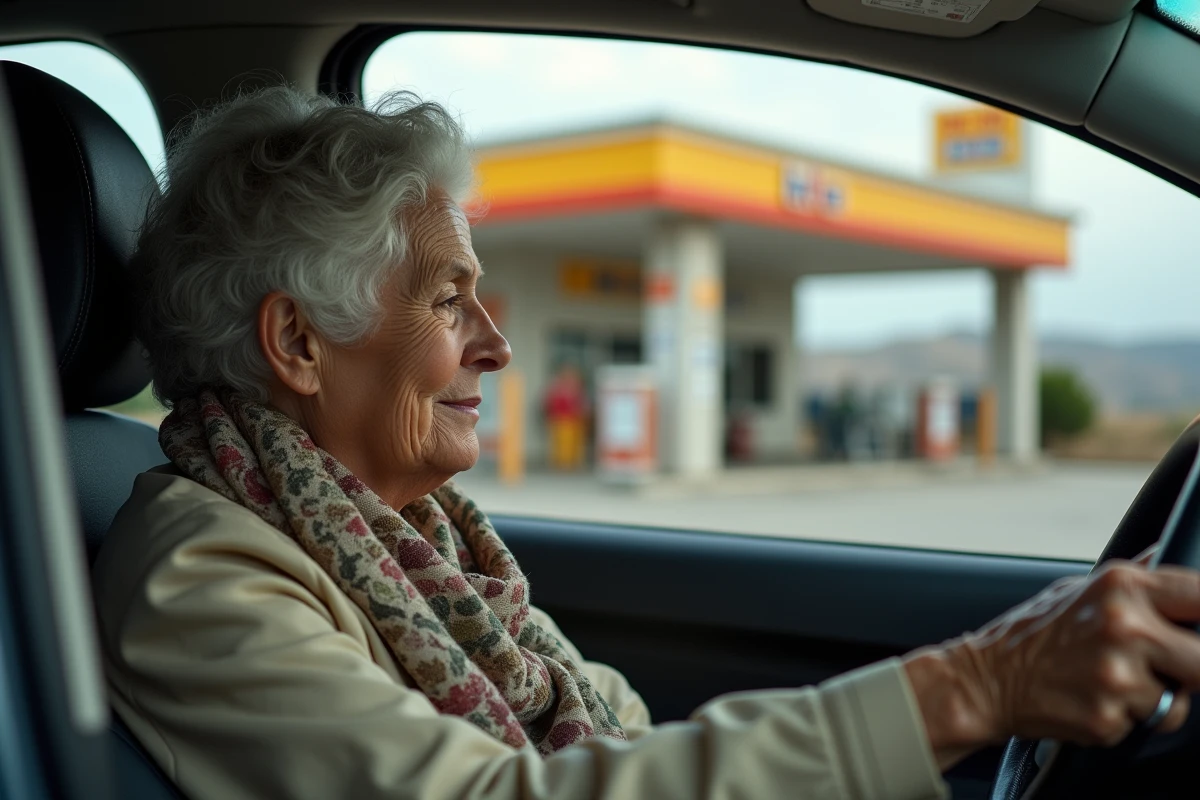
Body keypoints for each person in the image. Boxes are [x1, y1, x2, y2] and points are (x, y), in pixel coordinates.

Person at [93, 86, 1200, 800]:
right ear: (296, 340)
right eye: (447, 301)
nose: (497, 347)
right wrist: (976, 684)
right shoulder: (202, 570)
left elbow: (617, 734)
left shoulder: (416, 540)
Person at [544, 363, 588, 470]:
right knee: (562, 443)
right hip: (561, 418)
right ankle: (563, 463)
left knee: (574, 443)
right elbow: (551, 402)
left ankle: (573, 462)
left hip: (575, 418)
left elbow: (581, 402)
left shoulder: (576, 386)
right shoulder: (558, 387)